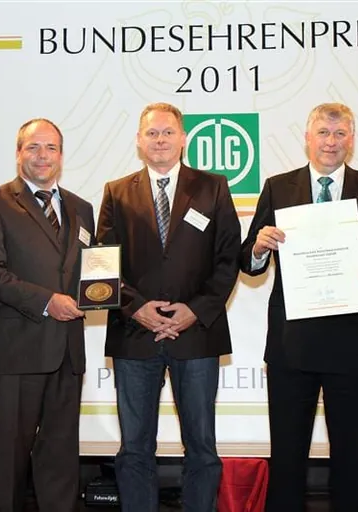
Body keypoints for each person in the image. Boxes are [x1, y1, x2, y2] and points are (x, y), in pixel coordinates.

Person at [240, 103, 358, 511]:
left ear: (352, 139)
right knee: (287, 457)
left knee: (353, 457)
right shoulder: (278, 187)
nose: (331, 142)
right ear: (307, 138)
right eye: (324, 133)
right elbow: (248, 259)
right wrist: (259, 247)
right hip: (292, 346)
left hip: (355, 346)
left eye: (340, 133)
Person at [96, 102, 241, 511]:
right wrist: (135, 307)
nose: (160, 140)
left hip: (196, 334)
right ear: (139, 140)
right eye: (152, 133)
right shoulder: (116, 191)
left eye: (167, 132)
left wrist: (195, 310)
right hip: (134, 334)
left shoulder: (213, 187)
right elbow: (103, 263)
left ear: (183, 138)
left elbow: (228, 257)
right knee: (134, 448)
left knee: (202, 446)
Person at [0, 118, 95, 511]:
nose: (43, 156)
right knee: (9, 463)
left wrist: (106, 292)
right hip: (17, 351)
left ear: (61, 155)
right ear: (18, 153)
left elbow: (91, 272)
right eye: (33, 147)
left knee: (60, 461)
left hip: (67, 354)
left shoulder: (81, 208)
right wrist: (46, 300)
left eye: (51, 148)